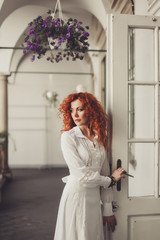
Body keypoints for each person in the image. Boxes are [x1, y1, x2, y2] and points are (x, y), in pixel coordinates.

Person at [54, 92, 125, 240]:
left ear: (91, 110)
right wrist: (111, 180)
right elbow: (82, 175)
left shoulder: (99, 137)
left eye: (80, 109)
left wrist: (107, 209)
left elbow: (105, 172)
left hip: (93, 199)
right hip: (76, 196)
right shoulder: (68, 137)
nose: (75, 114)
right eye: (72, 110)